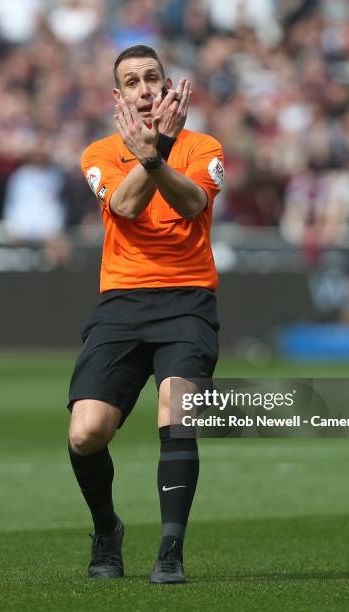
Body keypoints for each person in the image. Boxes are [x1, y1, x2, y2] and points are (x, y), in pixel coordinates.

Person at [67, 44, 224, 584]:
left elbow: (192, 205)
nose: (144, 88)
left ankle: (170, 551)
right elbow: (126, 207)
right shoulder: (98, 153)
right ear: (118, 97)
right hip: (123, 302)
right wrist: (154, 151)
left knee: (177, 413)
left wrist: (161, 150)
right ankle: (107, 529)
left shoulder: (203, 147)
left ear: (169, 85)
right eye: (131, 82)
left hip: (187, 300)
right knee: (86, 434)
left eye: (151, 78)